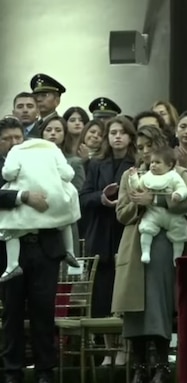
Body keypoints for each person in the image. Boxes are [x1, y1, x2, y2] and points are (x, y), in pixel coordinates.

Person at [113, 125, 187, 383]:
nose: (145, 153)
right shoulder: (131, 176)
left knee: (159, 304)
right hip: (137, 244)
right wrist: (138, 205)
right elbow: (121, 213)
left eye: (149, 146)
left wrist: (156, 201)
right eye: (140, 148)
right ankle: (139, 366)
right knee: (135, 306)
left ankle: (162, 365)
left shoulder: (178, 172)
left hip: (165, 244)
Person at [0, 117, 63, 383]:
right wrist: (23, 197)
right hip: (9, 251)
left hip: (45, 247)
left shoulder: (42, 160)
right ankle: (11, 370)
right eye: (8, 139)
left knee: (44, 310)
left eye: (18, 138)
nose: (15, 143)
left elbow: (64, 189)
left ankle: (44, 370)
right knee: (11, 311)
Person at [0, 138, 80, 282]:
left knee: (11, 228)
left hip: (24, 200)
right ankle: (70, 251)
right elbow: (68, 174)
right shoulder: (54, 150)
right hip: (54, 196)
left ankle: (12, 265)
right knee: (65, 219)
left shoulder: (16, 151)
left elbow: (9, 173)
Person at [128, 147, 187, 265]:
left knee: (180, 231)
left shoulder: (174, 176)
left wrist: (178, 195)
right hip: (153, 213)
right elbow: (138, 187)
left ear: (169, 165)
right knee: (146, 228)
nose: (153, 165)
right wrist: (133, 177)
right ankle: (145, 252)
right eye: (152, 162)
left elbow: (183, 189)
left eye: (157, 162)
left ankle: (177, 257)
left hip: (172, 214)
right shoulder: (147, 176)